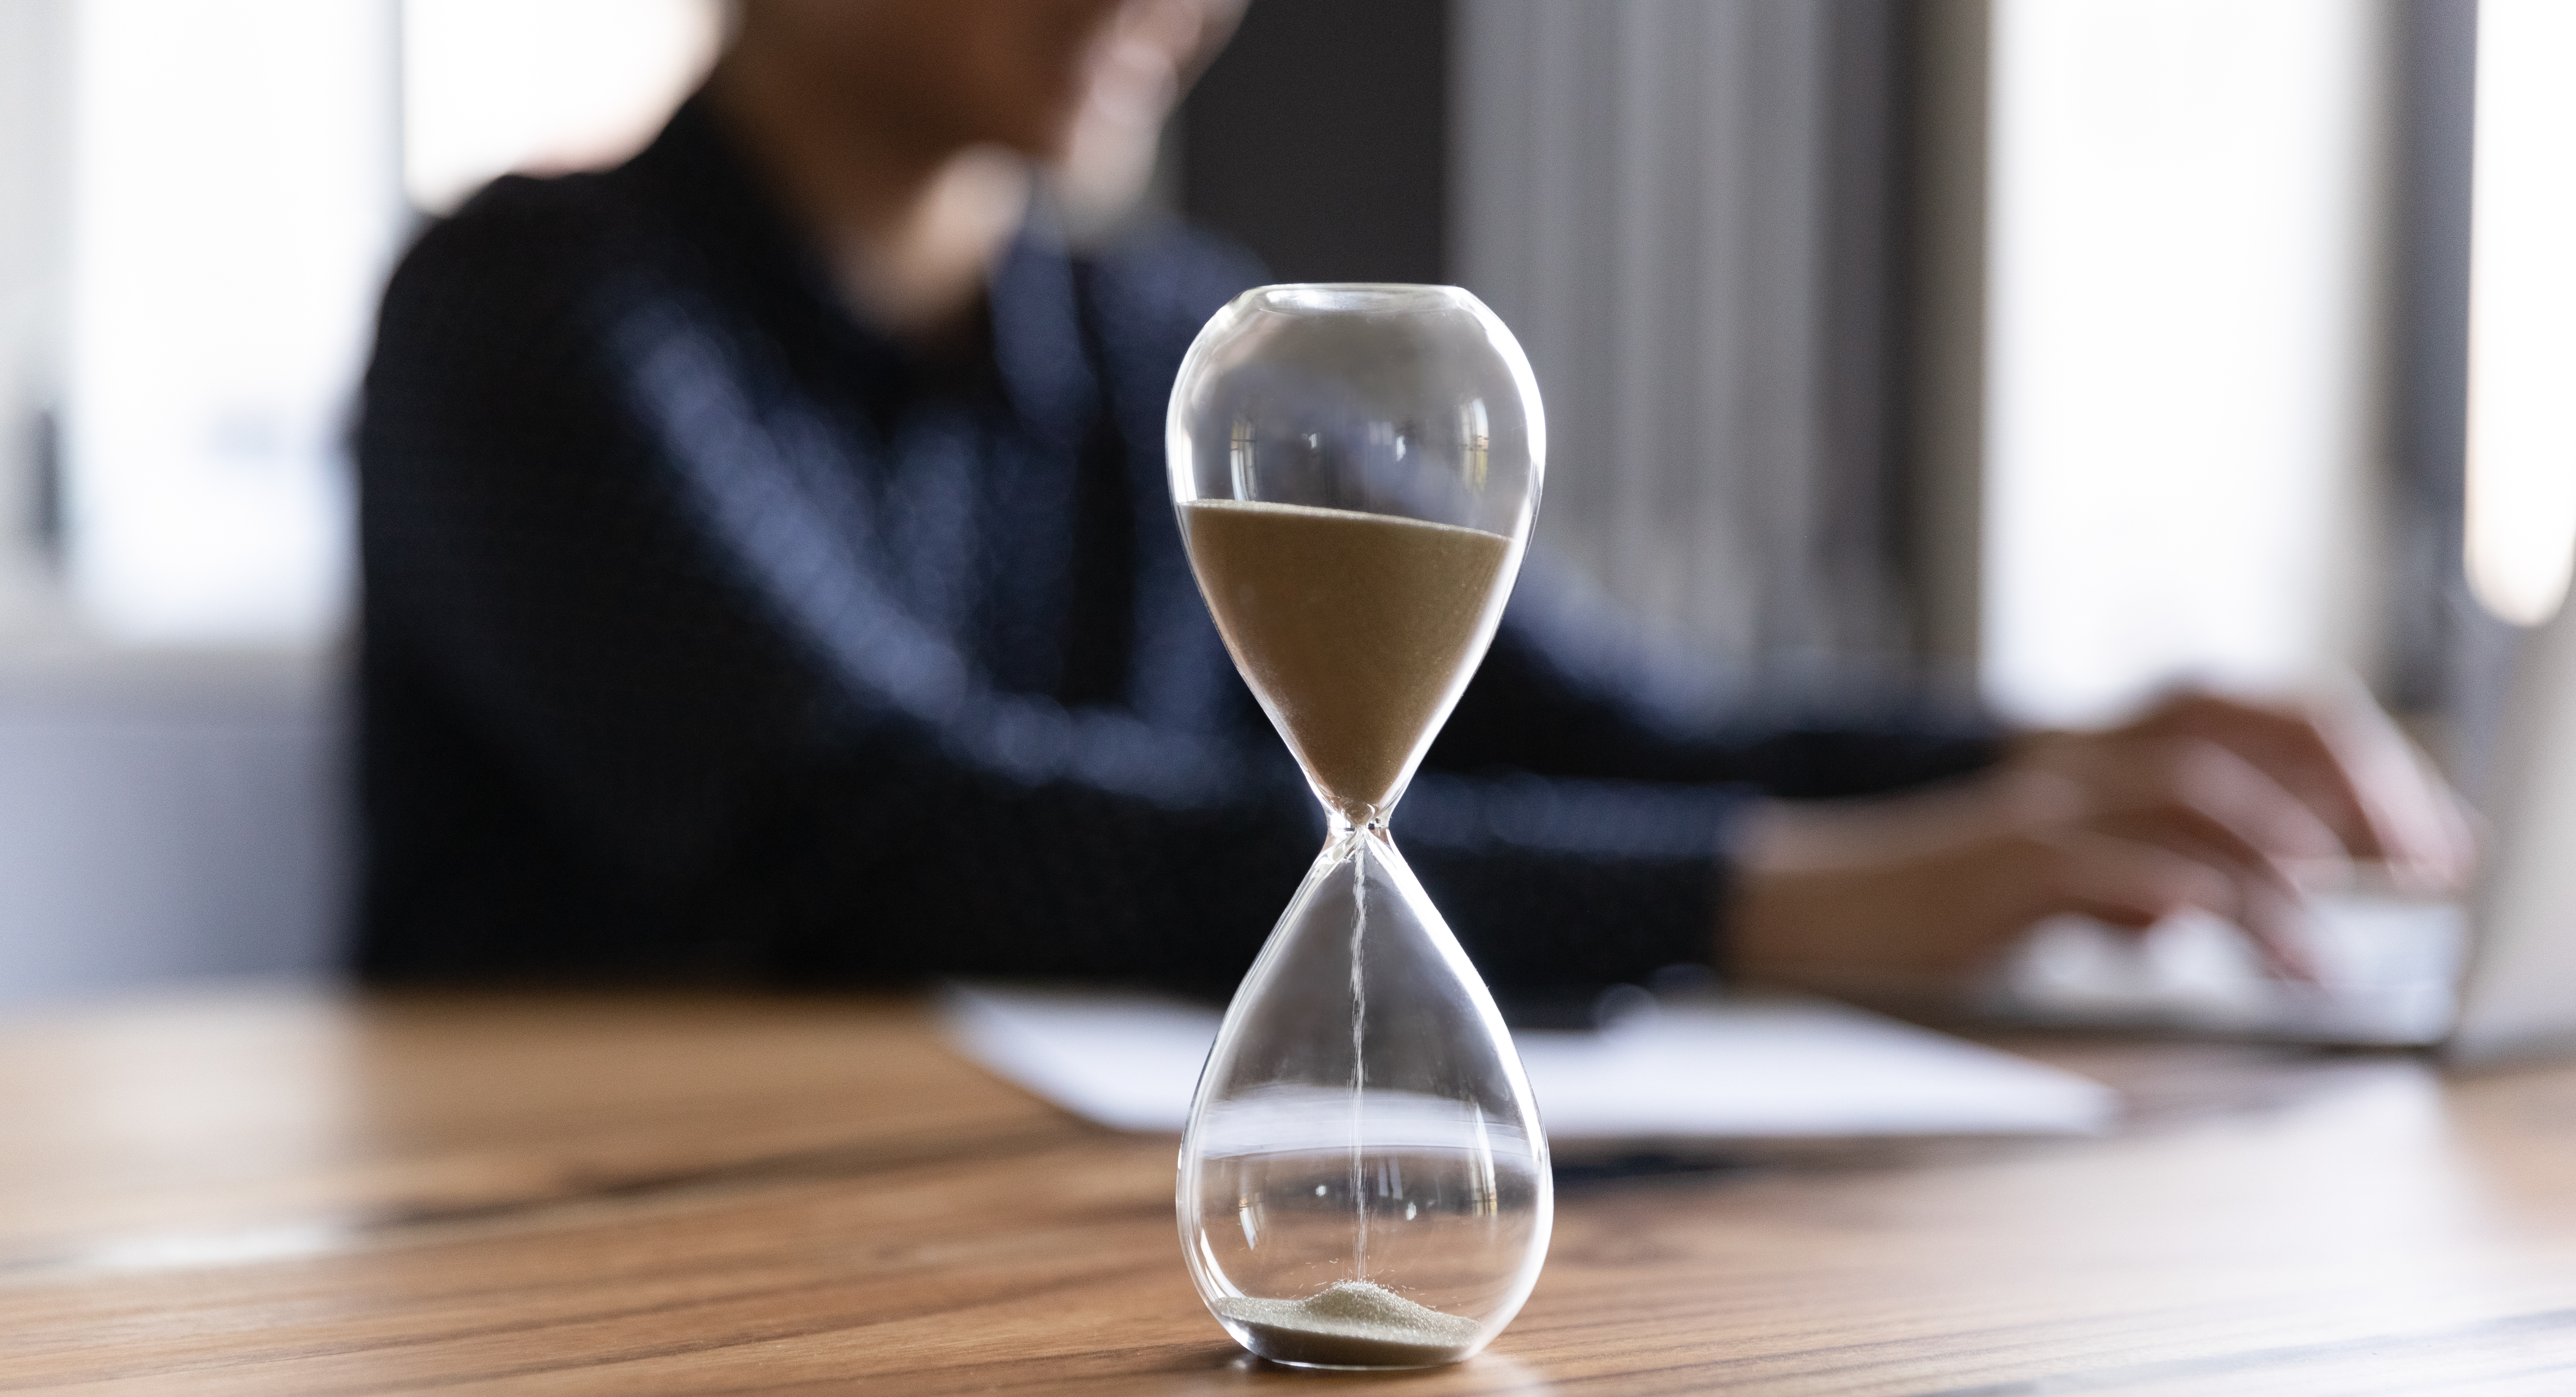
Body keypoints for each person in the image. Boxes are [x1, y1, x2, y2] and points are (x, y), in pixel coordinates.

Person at [357, 0, 2470, 1013]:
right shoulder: (527, 313)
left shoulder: (1174, 342)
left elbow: (1607, 725)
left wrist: (2051, 761)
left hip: (1045, 1221)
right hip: (616, 1265)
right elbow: (884, 833)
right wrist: (1786, 896)